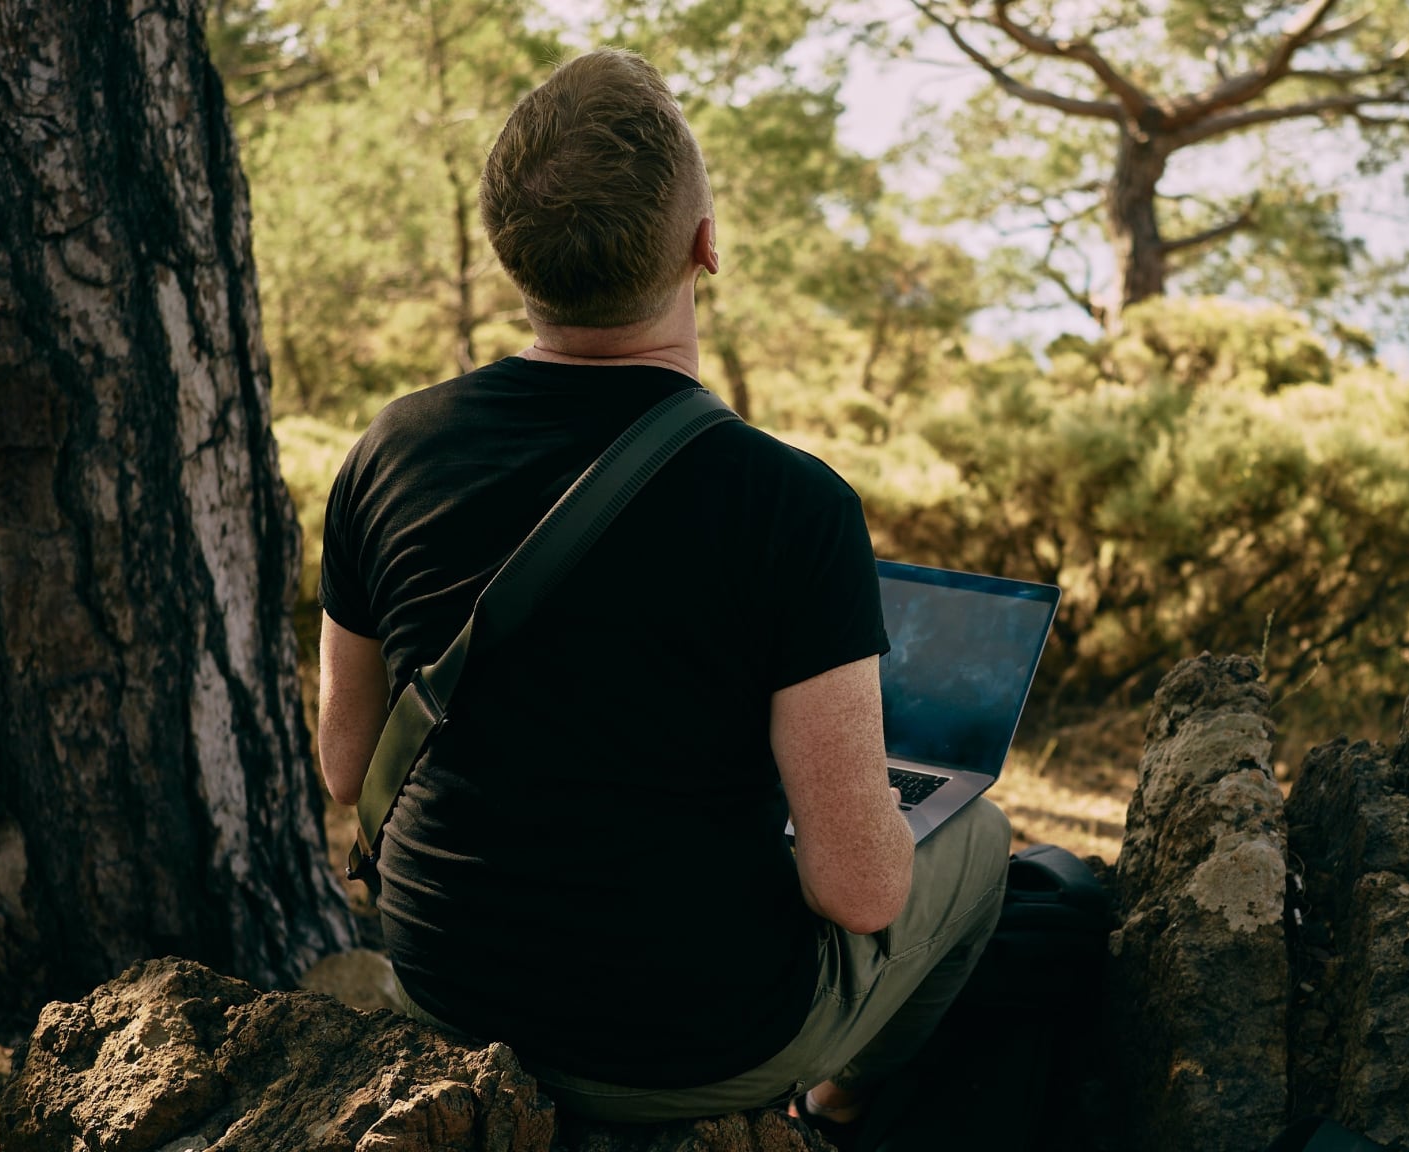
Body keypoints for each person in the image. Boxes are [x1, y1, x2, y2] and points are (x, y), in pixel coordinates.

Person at [314, 47, 1011, 1128]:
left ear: (513, 253)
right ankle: (840, 1109)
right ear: (704, 247)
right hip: (690, 1044)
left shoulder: (388, 449)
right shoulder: (789, 503)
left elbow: (348, 762)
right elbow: (858, 893)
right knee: (983, 839)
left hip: (450, 990)